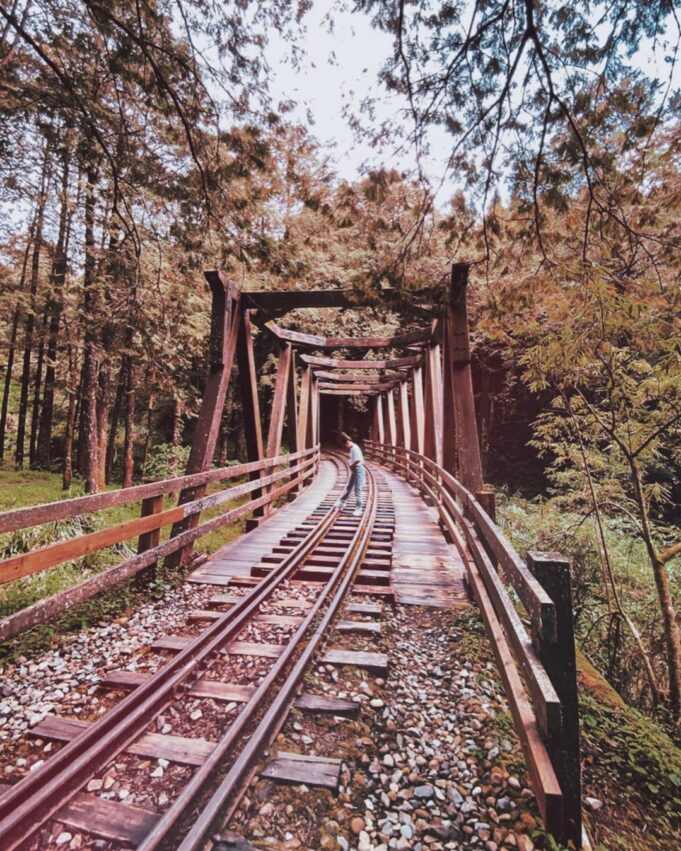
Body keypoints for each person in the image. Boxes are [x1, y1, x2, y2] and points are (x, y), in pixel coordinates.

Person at [335, 434, 365, 516]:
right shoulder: (352, 448)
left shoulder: (354, 448)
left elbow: (358, 460)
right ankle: (342, 501)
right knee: (349, 487)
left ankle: (359, 509)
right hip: (355, 469)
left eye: (345, 444)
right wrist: (351, 465)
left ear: (348, 442)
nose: (346, 446)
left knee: (358, 490)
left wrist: (351, 466)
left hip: (359, 470)